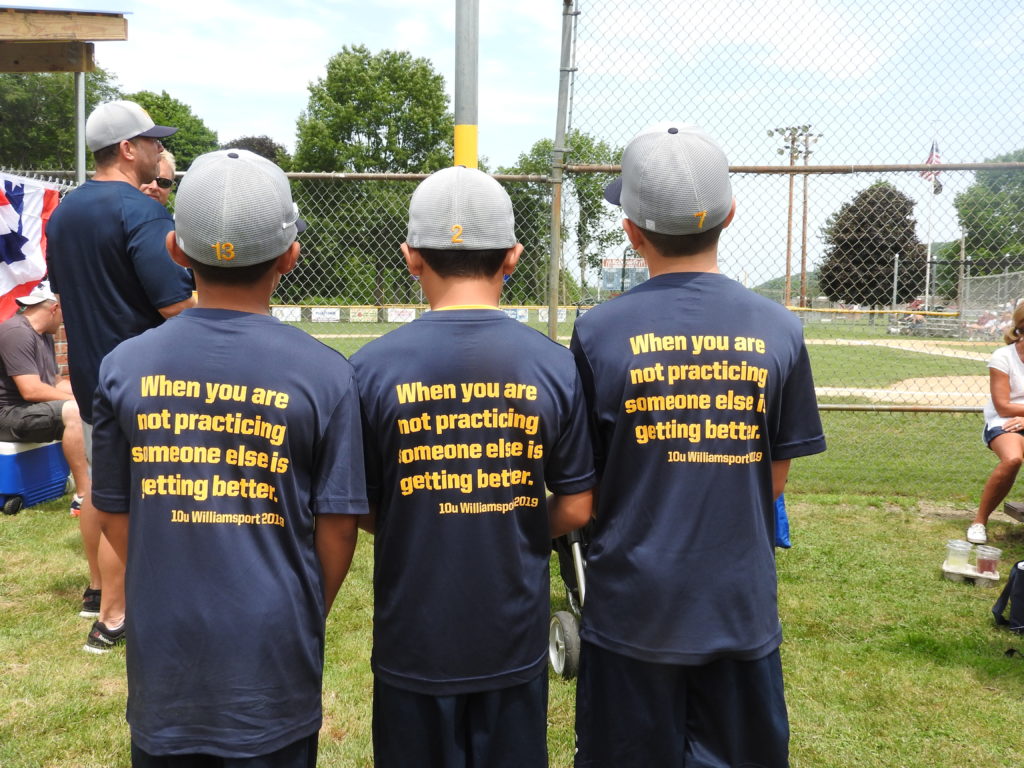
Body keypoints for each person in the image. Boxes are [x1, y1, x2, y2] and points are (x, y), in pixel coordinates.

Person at [92, 148, 366, 765]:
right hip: (273, 653)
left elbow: (113, 514)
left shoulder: (124, 367)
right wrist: (301, 605)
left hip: (167, 653)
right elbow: (338, 526)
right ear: (291, 255)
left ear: (175, 251)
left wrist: (167, 582)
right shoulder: (325, 375)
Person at [569, 123, 827, 768]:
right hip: (737, 606)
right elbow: (774, 480)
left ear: (630, 229)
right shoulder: (779, 327)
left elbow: (587, 481)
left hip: (632, 610)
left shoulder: (599, 331)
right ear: (731, 215)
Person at [350, 165, 595, 768]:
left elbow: (361, 503)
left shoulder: (369, 369)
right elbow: (577, 503)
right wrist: (501, 522)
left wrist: (426, 517)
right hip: (509, 637)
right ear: (512, 257)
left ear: (410, 258)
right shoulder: (553, 365)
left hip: (413, 641)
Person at [45, 99, 196, 650]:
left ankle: (99, 600)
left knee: (99, 490)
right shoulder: (141, 212)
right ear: (127, 149)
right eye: (152, 142)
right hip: (145, 378)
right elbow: (175, 306)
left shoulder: (64, 212)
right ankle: (115, 614)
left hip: (90, 375)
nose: (160, 150)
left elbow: (67, 289)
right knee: (136, 501)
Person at [0, 282, 90, 520]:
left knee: (88, 405)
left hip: (27, 410)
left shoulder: (42, 335)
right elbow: (31, 390)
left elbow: (55, 382)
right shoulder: (16, 332)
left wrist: (90, 396)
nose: (62, 320)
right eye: (62, 313)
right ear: (54, 308)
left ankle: (96, 482)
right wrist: (78, 403)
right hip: (8, 414)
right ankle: (84, 496)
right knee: (73, 412)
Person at [969, 302, 1024, 544]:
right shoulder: (1003, 357)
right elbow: (1003, 405)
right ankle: (979, 522)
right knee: (1013, 459)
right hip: (1005, 419)